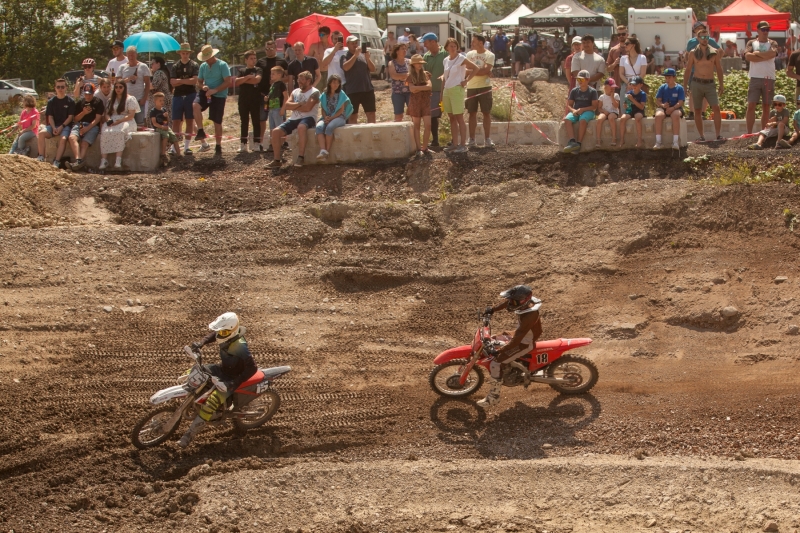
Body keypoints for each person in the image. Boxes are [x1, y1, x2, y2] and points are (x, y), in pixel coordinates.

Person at [179, 312, 258, 448]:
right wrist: (201, 343)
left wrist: (232, 383)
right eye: (220, 331)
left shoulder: (240, 345)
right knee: (194, 373)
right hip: (222, 369)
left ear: (232, 330)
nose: (220, 334)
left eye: (223, 331)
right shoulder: (225, 334)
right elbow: (213, 335)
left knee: (211, 403)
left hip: (232, 378)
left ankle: (189, 435)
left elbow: (252, 368)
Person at [476, 285, 542, 407]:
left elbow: (517, 340)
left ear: (522, 301)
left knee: (495, 363)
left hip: (524, 343)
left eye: (514, 301)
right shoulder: (525, 304)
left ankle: (493, 397)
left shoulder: (529, 315)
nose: (511, 303)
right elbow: (507, 303)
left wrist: (501, 351)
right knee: (494, 338)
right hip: (521, 335)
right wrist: (493, 309)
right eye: (512, 300)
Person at [267, 71, 320, 168]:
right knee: (275, 132)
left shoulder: (315, 92)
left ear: (309, 81)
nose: (299, 82)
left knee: (301, 127)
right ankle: (277, 160)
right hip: (294, 118)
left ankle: (301, 157)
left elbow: (308, 108)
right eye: (298, 80)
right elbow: (287, 105)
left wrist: (294, 106)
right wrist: (300, 104)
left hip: (308, 118)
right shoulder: (295, 91)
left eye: (302, 80)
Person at [683, 29, 725, 142]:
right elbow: (688, 70)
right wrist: (684, 85)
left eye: (707, 37)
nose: (705, 39)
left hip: (710, 83)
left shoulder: (714, 52)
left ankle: (718, 135)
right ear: (698, 38)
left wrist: (721, 84)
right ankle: (701, 136)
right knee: (697, 110)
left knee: (716, 107)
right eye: (702, 37)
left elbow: (719, 69)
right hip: (696, 83)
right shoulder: (692, 53)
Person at [193, 44, 232, 154]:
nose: (206, 61)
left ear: (212, 56)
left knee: (217, 121)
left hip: (219, 95)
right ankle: (200, 130)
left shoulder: (222, 65)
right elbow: (199, 82)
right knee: (195, 105)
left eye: (208, 58)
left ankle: (218, 145)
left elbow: (228, 81)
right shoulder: (203, 66)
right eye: (204, 59)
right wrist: (203, 86)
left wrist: (215, 90)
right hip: (206, 93)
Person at [441, 37, 477, 154]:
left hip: (457, 89)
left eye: (455, 46)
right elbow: (445, 76)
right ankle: (455, 143)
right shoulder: (445, 60)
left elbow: (475, 68)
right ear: (446, 47)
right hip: (447, 89)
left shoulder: (461, 58)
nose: (453, 48)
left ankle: (463, 144)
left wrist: (466, 80)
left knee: (459, 117)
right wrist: (442, 92)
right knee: (451, 117)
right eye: (451, 46)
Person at [745, 21, 779, 134]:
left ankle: (764, 132)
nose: (765, 32)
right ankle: (749, 133)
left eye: (767, 30)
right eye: (763, 30)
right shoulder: (751, 42)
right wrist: (765, 56)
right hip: (755, 77)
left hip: (769, 78)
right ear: (758, 30)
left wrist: (757, 54)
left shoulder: (773, 43)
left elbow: (773, 54)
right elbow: (748, 56)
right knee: (751, 105)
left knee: (766, 106)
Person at [99, 80, 140, 170]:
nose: (118, 89)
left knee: (119, 131)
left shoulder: (130, 99)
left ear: (124, 88)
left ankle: (118, 160)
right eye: (116, 87)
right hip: (113, 119)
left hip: (126, 120)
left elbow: (131, 115)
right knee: (105, 131)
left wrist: (119, 121)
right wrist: (109, 120)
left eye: (120, 87)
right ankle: (104, 160)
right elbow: (107, 113)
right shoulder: (111, 100)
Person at [256, 40, 290, 149]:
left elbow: (287, 77)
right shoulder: (260, 62)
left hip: (279, 98)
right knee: (263, 119)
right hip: (264, 95)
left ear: (275, 48)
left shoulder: (282, 61)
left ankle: (283, 142)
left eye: (271, 48)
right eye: (267, 48)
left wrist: (278, 81)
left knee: (281, 120)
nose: (269, 50)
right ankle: (262, 143)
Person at [64, 83, 104, 170]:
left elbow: (97, 119)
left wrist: (86, 129)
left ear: (93, 93)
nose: (88, 96)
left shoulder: (98, 102)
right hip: (80, 124)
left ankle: (78, 163)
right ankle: (79, 161)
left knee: (84, 143)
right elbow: (76, 119)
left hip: (92, 126)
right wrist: (84, 113)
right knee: (72, 138)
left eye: (90, 94)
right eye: (86, 94)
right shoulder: (80, 103)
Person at [36, 79, 74, 168]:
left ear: (66, 88)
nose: (60, 89)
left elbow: (70, 117)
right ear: (55, 88)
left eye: (62, 87)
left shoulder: (70, 101)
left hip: (65, 126)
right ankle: (41, 156)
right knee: (41, 134)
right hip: (53, 125)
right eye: (58, 87)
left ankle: (57, 161)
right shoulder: (51, 102)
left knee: (63, 138)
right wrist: (53, 127)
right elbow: (50, 117)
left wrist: (61, 127)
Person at [465, 34, 495, 148]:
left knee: (486, 113)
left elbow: (485, 70)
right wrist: (479, 70)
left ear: (481, 43)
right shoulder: (469, 54)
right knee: (471, 113)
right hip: (471, 86)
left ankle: (487, 139)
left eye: (474, 42)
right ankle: (472, 139)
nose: (472, 44)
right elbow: (465, 70)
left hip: (485, 86)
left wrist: (472, 70)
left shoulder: (490, 55)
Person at [171, 43, 200, 154]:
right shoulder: (175, 66)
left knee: (190, 120)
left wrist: (180, 81)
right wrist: (185, 81)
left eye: (187, 53)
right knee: (176, 122)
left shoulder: (194, 65)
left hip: (190, 94)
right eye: (183, 53)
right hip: (178, 95)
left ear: (189, 53)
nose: (185, 55)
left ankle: (187, 147)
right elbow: (173, 83)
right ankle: (174, 147)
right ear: (180, 53)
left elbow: (194, 81)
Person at [315, 74, 352, 161]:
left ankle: (326, 152)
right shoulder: (324, 94)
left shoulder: (341, 94)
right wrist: (325, 117)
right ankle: (323, 150)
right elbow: (323, 109)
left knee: (330, 127)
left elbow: (341, 110)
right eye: (334, 82)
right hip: (327, 117)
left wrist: (331, 118)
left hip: (339, 117)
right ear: (329, 83)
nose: (336, 85)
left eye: (338, 83)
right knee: (319, 127)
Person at [341, 35, 376, 124]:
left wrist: (368, 58)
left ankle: (372, 135)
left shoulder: (363, 55)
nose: (355, 45)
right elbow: (346, 67)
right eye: (352, 43)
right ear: (347, 44)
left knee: (371, 114)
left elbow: (373, 69)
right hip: (353, 90)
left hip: (367, 89)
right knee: (352, 116)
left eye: (356, 43)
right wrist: (355, 56)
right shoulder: (345, 56)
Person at [562, 70, 597, 155]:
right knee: (567, 120)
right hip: (576, 111)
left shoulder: (592, 91)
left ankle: (579, 143)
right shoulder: (574, 91)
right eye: (578, 79)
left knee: (583, 120)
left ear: (587, 80)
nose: (579, 81)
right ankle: (572, 141)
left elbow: (594, 107)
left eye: (581, 79)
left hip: (588, 111)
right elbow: (569, 105)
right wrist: (573, 110)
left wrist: (583, 109)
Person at [235, 50, 263, 153]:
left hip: (255, 99)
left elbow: (257, 80)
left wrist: (244, 81)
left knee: (256, 121)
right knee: (244, 121)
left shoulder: (258, 69)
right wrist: (246, 77)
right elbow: (237, 82)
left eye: (255, 58)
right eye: (251, 58)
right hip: (243, 100)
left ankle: (257, 143)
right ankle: (243, 144)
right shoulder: (242, 70)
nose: (253, 60)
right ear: (246, 60)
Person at [423, 33, 446, 148]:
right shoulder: (426, 57)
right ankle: (435, 140)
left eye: (425, 42)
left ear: (433, 42)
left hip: (447, 90)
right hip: (433, 91)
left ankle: (454, 140)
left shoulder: (445, 53)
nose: (424, 45)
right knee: (432, 116)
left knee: (452, 114)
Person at [118, 46, 151, 126]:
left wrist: (144, 98)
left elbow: (147, 83)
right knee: (126, 123)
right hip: (126, 100)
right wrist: (127, 79)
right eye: (129, 55)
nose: (131, 57)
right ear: (126, 55)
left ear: (136, 55)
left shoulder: (143, 66)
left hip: (139, 99)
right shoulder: (122, 67)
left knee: (140, 123)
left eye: (132, 55)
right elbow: (117, 82)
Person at [653, 69, 685, 150]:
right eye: (666, 78)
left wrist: (673, 108)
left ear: (674, 77)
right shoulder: (662, 87)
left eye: (669, 78)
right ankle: (658, 142)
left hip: (676, 108)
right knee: (658, 116)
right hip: (664, 107)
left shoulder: (679, 88)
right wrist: (663, 105)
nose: (667, 80)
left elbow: (681, 102)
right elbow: (658, 100)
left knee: (675, 115)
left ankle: (675, 142)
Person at [408, 54, 432, 156]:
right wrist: (423, 87)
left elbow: (430, 87)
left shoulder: (425, 74)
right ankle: (419, 148)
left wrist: (418, 88)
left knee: (428, 124)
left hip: (425, 102)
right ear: (413, 64)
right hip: (415, 102)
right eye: (418, 63)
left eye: (421, 63)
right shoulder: (410, 76)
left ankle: (425, 147)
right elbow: (411, 89)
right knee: (416, 126)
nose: (420, 65)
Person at [150, 92, 181, 165]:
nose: (162, 102)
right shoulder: (153, 111)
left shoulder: (164, 109)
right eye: (160, 100)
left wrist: (166, 117)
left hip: (165, 126)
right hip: (158, 127)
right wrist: (162, 127)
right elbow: (154, 123)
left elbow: (166, 121)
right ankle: (163, 153)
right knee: (166, 136)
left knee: (174, 137)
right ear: (155, 101)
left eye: (163, 100)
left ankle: (179, 155)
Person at [264, 66, 289, 154]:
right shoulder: (273, 85)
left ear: (279, 75)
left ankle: (281, 144)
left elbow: (286, 97)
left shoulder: (281, 84)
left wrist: (283, 109)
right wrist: (267, 99)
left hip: (278, 109)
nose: (271, 75)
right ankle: (273, 144)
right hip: (271, 108)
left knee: (279, 127)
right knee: (272, 127)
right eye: (271, 74)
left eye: (273, 74)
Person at [619, 76, 647, 148]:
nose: (633, 86)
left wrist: (632, 99)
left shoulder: (643, 94)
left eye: (636, 84)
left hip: (639, 111)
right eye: (632, 84)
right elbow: (626, 105)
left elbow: (641, 107)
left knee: (637, 118)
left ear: (641, 85)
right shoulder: (629, 93)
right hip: (630, 110)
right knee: (622, 119)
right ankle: (622, 140)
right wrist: (625, 105)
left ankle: (639, 140)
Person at [388, 43, 410, 122]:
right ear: (397, 51)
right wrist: (405, 76)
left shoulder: (409, 62)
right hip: (397, 92)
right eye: (402, 49)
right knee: (398, 115)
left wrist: (401, 77)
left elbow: (412, 75)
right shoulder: (392, 63)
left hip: (409, 91)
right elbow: (394, 75)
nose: (405, 50)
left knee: (414, 114)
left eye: (405, 49)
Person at [595, 78, 619, 148]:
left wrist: (612, 97)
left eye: (613, 87)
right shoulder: (602, 97)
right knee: (599, 119)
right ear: (605, 87)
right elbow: (599, 108)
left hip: (613, 111)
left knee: (611, 117)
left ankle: (614, 138)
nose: (612, 89)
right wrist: (603, 111)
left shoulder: (616, 95)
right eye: (610, 87)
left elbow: (616, 106)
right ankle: (598, 139)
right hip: (605, 111)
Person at [148, 56, 172, 122]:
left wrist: (145, 83)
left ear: (158, 64)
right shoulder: (164, 72)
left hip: (160, 101)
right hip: (163, 100)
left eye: (152, 63)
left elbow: (153, 85)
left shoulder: (159, 73)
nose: (151, 65)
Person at [309, 26, 332, 91]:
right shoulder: (314, 46)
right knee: (317, 92)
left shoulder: (332, 47)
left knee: (328, 92)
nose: (320, 36)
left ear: (327, 35)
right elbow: (308, 59)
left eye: (322, 34)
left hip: (328, 72)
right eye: (319, 34)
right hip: (317, 73)